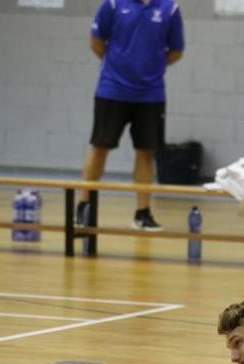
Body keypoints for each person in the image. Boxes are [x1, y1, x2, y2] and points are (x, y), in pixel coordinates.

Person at [78, 0, 186, 232]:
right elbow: (96, 41)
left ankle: (142, 213)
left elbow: (176, 51)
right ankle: (84, 206)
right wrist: (117, 65)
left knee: (146, 152)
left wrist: (153, 67)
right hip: (112, 90)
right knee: (100, 147)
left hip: (151, 94)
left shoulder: (170, 8)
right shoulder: (114, 4)